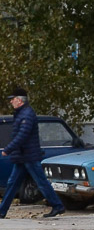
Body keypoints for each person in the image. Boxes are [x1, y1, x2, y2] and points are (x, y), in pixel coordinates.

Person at [0, 87, 66, 218]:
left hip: (29, 156)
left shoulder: (27, 115)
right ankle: (2, 211)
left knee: (41, 182)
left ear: (19, 100)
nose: (11, 102)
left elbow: (22, 135)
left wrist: (8, 149)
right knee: (12, 184)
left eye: (12, 99)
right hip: (23, 156)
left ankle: (58, 206)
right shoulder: (22, 114)